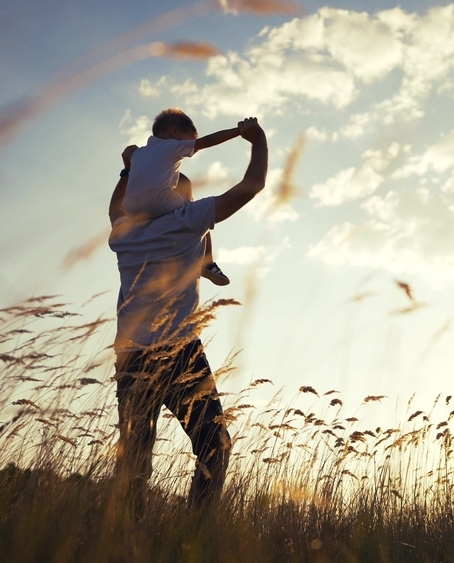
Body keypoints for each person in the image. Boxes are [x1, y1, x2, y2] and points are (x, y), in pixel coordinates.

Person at [107, 116, 268, 510]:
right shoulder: (186, 221)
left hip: (130, 358)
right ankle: (192, 538)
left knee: (134, 462)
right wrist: (257, 140)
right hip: (179, 353)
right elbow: (252, 186)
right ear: (179, 197)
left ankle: (123, 544)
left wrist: (130, 168)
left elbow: (116, 204)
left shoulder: (121, 232)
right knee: (215, 448)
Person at [119, 108, 239, 286]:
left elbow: (133, 168)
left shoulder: (137, 154)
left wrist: (127, 165)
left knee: (183, 186)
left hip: (130, 209)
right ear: (174, 131)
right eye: (191, 141)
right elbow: (209, 141)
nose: (192, 148)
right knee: (197, 210)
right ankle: (207, 263)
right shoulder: (171, 146)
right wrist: (239, 131)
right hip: (158, 200)